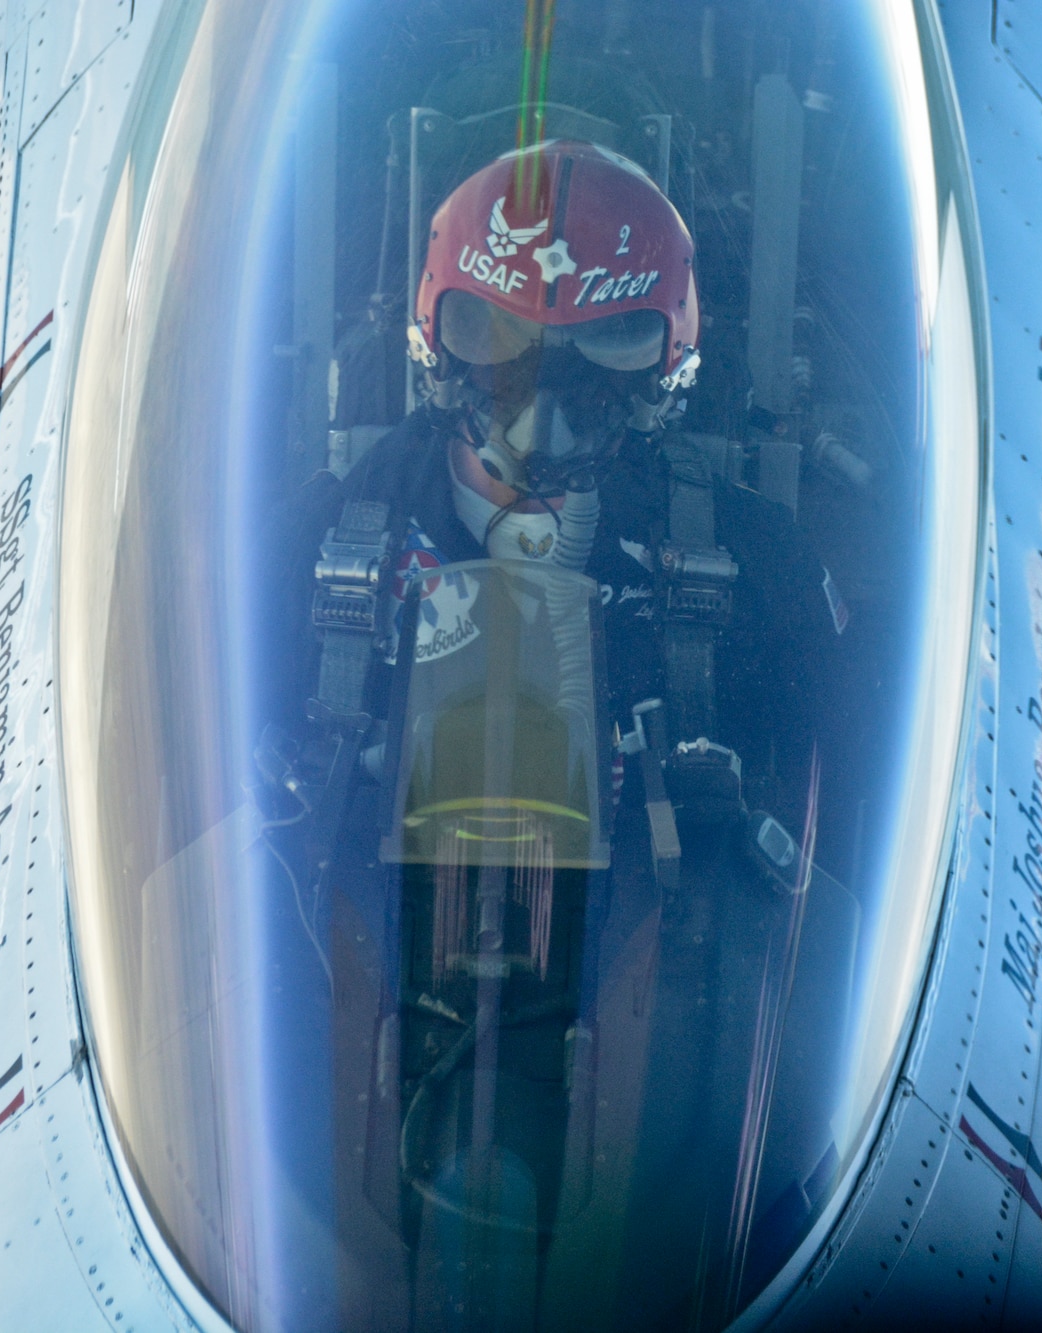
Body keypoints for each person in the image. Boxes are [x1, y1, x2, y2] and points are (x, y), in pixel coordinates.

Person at [259, 138, 857, 1324]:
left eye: (605, 343)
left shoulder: (752, 563)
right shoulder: (331, 532)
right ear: (441, 341)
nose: (540, 392)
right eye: (498, 338)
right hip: (365, 929)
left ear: (661, 358)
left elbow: (841, 796)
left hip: (657, 937)